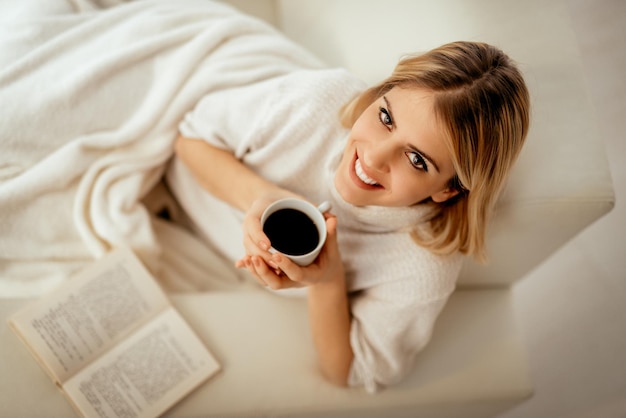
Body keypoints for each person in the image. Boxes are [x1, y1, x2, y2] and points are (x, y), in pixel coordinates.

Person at [167, 40, 530, 393]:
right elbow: (189, 137)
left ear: (447, 190)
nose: (373, 158)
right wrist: (258, 196)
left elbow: (350, 370)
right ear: (376, 96)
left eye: (417, 159)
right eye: (386, 117)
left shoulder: (422, 265)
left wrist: (327, 279)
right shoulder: (317, 102)